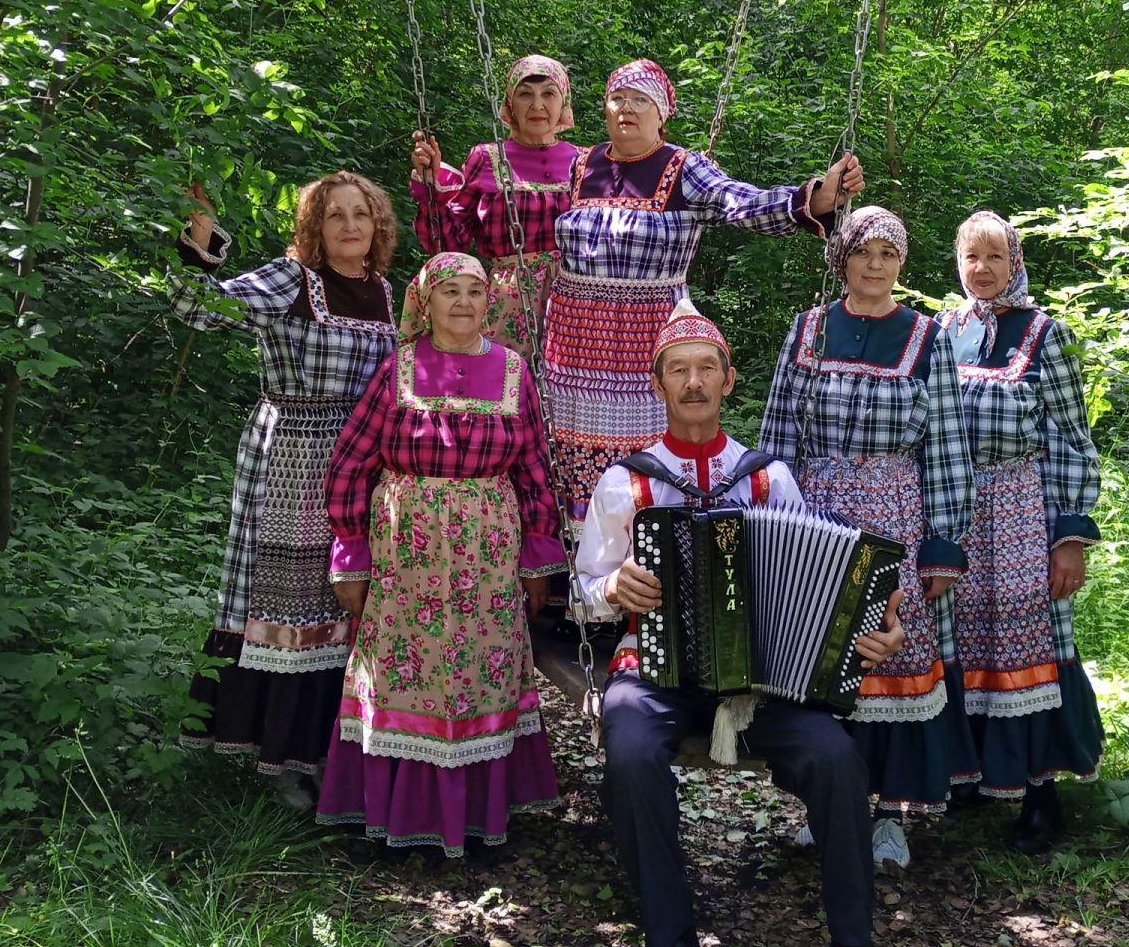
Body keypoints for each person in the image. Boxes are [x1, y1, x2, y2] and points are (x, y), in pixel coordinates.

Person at [576, 302, 907, 947]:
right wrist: (611, 587)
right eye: (678, 370)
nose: (693, 382)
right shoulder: (624, 484)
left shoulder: (767, 478)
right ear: (659, 383)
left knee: (838, 757)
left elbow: (823, 580)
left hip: (763, 683)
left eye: (706, 368)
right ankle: (669, 935)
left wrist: (873, 633)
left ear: (728, 381)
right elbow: (584, 591)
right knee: (631, 756)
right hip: (653, 670)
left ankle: (853, 936)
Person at [545, 57, 863, 551]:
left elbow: (742, 203)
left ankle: (659, 582)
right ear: (603, 108)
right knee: (569, 465)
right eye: (618, 98)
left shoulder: (682, 168)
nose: (626, 108)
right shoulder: (580, 165)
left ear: (662, 113)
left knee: (648, 470)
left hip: (645, 348)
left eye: (640, 100)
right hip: (571, 350)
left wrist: (815, 198)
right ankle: (586, 594)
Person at [315, 252, 565, 854]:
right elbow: (351, 461)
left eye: (475, 291)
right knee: (406, 670)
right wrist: (351, 553)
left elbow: (533, 470)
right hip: (407, 554)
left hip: (489, 551)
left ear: (491, 302)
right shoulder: (398, 369)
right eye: (448, 291)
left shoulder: (514, 371)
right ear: (424, 303)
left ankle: (479, 814)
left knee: (483, 669)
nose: (463, 302)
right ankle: (397, 814)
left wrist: (537, 558)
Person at [756, 206, 979, 868]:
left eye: (888, 254)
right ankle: (821, 806)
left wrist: (944, 540)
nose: (875, 265)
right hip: (815, 516)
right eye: (863, 252)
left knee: (889, 657)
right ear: (842, 260)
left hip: (894, 517)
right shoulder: (809, 331)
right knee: (818, 659)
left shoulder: (925, 337)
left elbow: (946, 443)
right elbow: (775, 438)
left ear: (901, 264)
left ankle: (889, 817)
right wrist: (771, 521)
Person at [169, 173, 398, 806]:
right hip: (294, 455)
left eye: (361, 215)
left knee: (347, 601)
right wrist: (198, 242)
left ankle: (335, 747)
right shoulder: (288, 280)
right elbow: (200, 310)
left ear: (378, 226)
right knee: (291, 603)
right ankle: (278, 756)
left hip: (365, 465)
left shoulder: (384, 291)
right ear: (314, 229)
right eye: (335, 217)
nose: (350, 227)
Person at [935, 211, 1105, 852]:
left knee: (1024, 650)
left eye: (994, 258)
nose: (981, 270)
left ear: (1016, 263)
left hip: (1020, 516)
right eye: (971, 258)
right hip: (954, 512)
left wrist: (1067, 537)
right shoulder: (940, 332)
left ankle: (1040, 796)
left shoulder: (1044, 334)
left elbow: (1069, 439)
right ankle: (971, 778)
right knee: (963, 647)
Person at [409, 54, 581, 355]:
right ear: (510, 103)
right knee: (508, 390)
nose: (537, 105)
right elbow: (449, 244)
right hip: (508, 304)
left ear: (563, 102)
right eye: (525, 94)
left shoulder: (585, 161)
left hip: (574, 301)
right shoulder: (486, 158)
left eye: (548, 94)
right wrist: (431, 189)